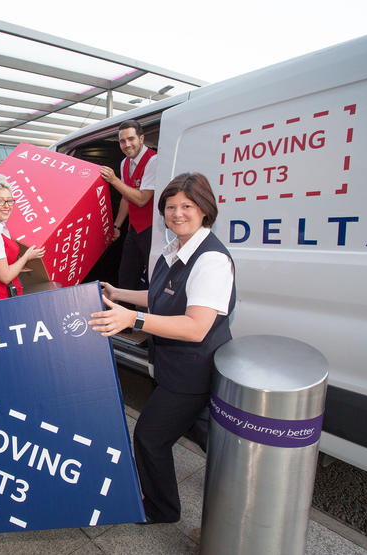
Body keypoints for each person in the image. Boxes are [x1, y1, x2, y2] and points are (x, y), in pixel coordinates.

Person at [88, 173, 236, 524]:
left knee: (150, 437)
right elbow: (161, 296)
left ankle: (161, 509)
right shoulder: (176, 249)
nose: (177, 213)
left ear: (205, 210)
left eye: (187, 206)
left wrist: (132, 320)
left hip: (192, 373)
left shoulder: (211, 260)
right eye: (170, 207)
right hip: (175, 367)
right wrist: (119, 293)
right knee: (210, 436)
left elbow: (196, 327)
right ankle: (241, 481)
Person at [100, 120, 158, 292]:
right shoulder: (124, 163)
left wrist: (114, 180)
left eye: (131, 139)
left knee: (153, 279)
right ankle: (124, 309)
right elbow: (126, 198)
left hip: (152, 230)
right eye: (122, 141)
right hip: (134, 229)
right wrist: (117, 226)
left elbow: (142, 199)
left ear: (141, 138)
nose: (127, 145)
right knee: (126, 277)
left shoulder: (153, 160)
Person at [0, 174, 45, 303]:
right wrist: (26, 257)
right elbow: (5, 277)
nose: (6, 205)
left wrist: (17, 266)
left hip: (5, 297)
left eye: (9, 200)